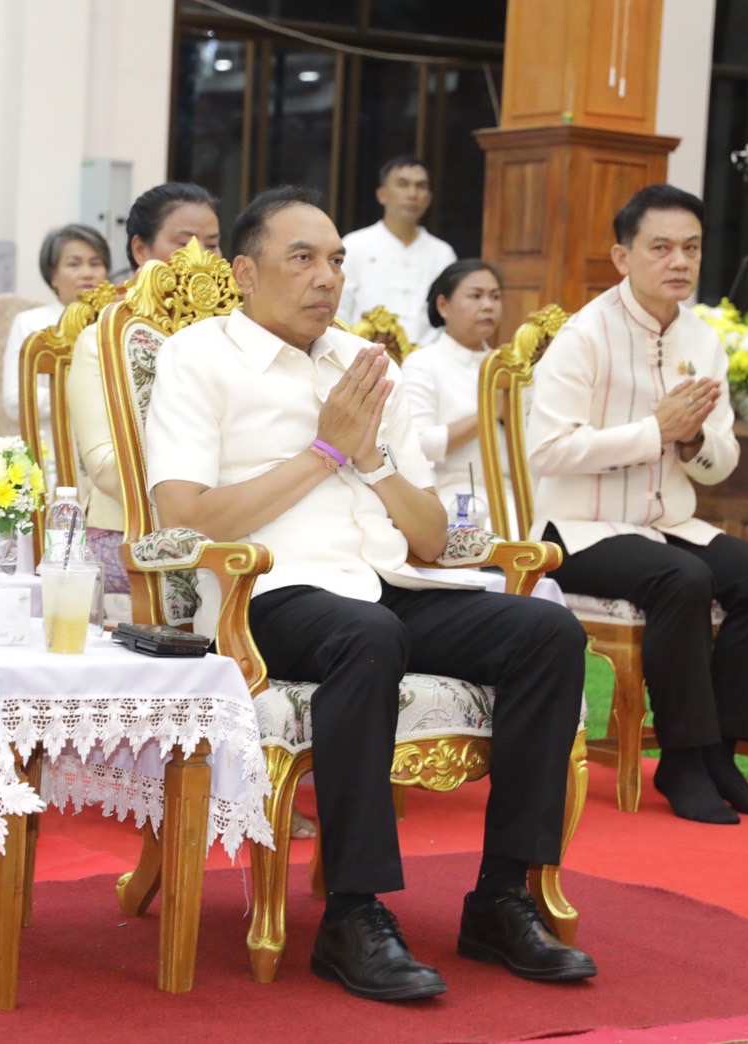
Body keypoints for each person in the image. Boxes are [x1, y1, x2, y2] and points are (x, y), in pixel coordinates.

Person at [145, 186, 596, 999]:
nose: (328, 277)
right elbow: (182, 520)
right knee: (367, 636)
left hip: (386, 586)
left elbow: (426, 538)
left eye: (337, 260)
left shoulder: (363, 364)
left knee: (547, 633)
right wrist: (324, 450)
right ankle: (353, 914)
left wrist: (373, 459)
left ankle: (500, 898)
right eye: (304, 259)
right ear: (245, 272)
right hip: (268, 596)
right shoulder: (199, 356)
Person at [527, 183, 748, 825]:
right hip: (579, 529)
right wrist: (655, 430)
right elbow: (547, 451)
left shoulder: (703, 341)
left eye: (691, 248)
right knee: (684, 578)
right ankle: (684, 756)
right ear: (622, 257)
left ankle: (723, 755)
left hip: (666, 521)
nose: (678, 261)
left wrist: (693, 438)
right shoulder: (584, 335)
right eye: (661, 247)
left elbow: (723, 460)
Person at [65, 183, 220, 597]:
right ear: (140, 249)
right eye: (183, 243)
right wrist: (199, 496)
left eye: (213, 245)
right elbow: (101, 462)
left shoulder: (232, 340)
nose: (200, 259)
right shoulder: (106, 340)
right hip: (130, 531)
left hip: (232, 526)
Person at [400, 260, 504, 523]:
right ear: (443, 305)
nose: (488, 305)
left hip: (508, 493)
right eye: (476, 296)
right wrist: (489, 415)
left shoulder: (507, 366)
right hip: (448, 495)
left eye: (495, 296)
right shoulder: (423, 363)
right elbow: (417, 443)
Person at [337, 156, 456, 347]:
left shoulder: (442, 253)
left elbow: (448, 319)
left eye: (421, 186)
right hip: (361, 357)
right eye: (403, 184)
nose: (412, 194)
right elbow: (338, 311)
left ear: (429, 197)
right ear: (382, 194)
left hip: (425, 364)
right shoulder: (354, 245)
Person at [0, 224, 110, 425]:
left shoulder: (115, 324)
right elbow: (15, 399)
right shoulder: (30, 323)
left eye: (95, 264)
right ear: (53, 276)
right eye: (74, 264)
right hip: (51, 441)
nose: (87, 273)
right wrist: (86, 395)